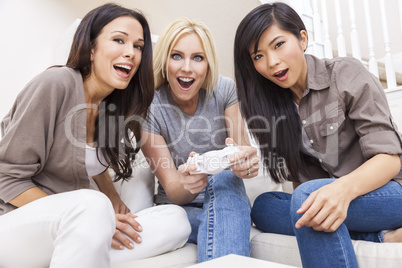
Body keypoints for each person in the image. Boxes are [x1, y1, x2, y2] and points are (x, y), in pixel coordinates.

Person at [0, 4, 190, 267]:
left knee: (176, 220)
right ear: (91, 48)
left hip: (80, 226)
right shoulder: (56, 84)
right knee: (93, 206)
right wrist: (95, 216)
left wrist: (113, 200)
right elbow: (6, 177)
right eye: (119, 40)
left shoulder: (110, 106)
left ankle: (81, 252)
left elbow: (89, 160)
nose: (131, 53)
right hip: (15, 224)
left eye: (138, 46)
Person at [233, 2, 402, 267]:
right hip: (337, 201)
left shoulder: (345, 74)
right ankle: (379, 237)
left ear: (302, 39)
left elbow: (390, 160)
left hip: (389, 192)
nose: (272, 62)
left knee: (305, 200)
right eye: (258, 56)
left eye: (278, 45)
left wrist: (340, 191)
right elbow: (302, 181)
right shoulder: (275, 108)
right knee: (264, 206)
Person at [141, 17, 260, 262]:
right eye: (176, 56)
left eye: (197, 57)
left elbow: (241, 148)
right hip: (181, 210)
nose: (187, 67)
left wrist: (245, 164)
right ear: (164, 60)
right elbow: (173, 188)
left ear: (208, 64)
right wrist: (186, 183)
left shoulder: (225, 90)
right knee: (227, 215)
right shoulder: (148, 108)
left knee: (225, 177)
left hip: (227, 197)